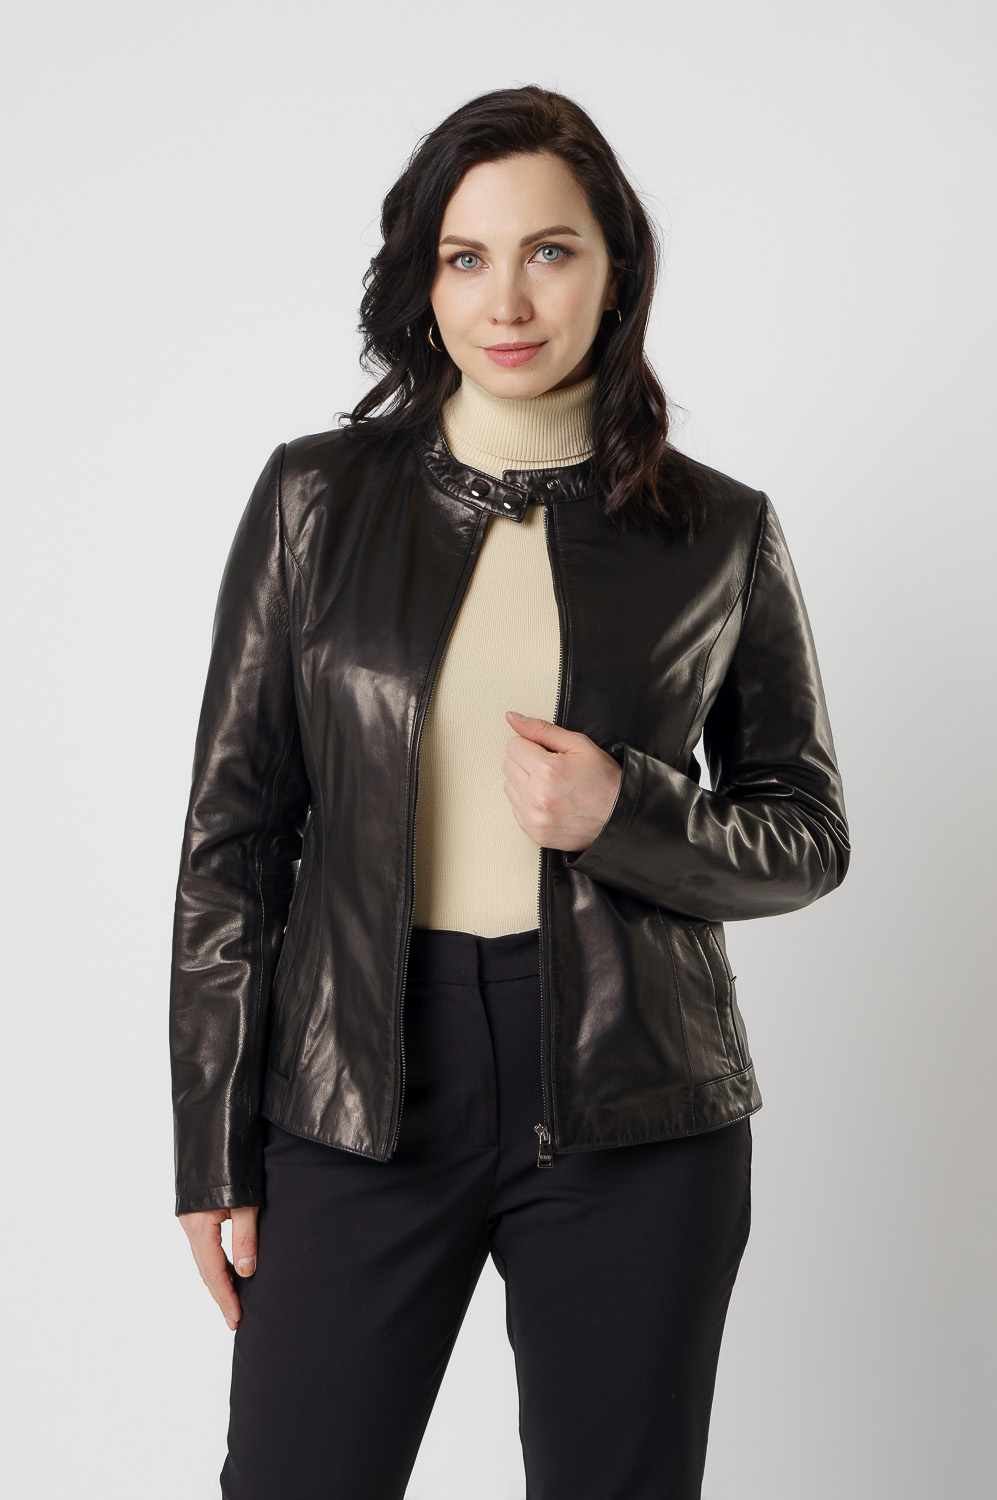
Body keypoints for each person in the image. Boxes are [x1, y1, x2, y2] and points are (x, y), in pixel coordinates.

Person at [170, 85, 850, 1500]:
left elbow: (804, 832)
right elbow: (231, 846)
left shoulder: (717, 532)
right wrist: (212, 1143)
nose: (509, 300)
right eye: (466, 256)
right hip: (358, 1080)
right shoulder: (314, 503)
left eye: (550, 250)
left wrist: (629, 815)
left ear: (615, 269)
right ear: (424, 281)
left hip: (632, 1097)